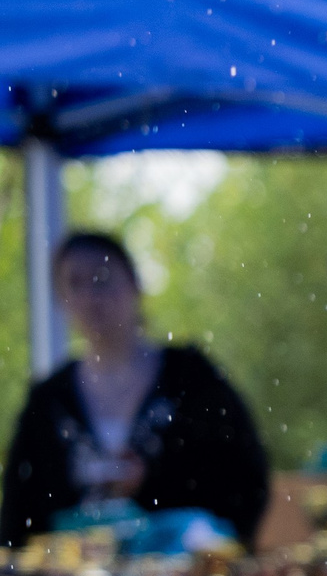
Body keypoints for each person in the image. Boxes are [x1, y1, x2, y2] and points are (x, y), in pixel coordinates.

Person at [1, 231, 270, 551]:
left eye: (102, 279)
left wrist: (154, 481)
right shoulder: (48, 400)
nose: (90, 297)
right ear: (61, 299)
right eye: (74, 284)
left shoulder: (191, 378)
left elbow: (245, 481)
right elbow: (19, 516)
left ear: (135, 284)